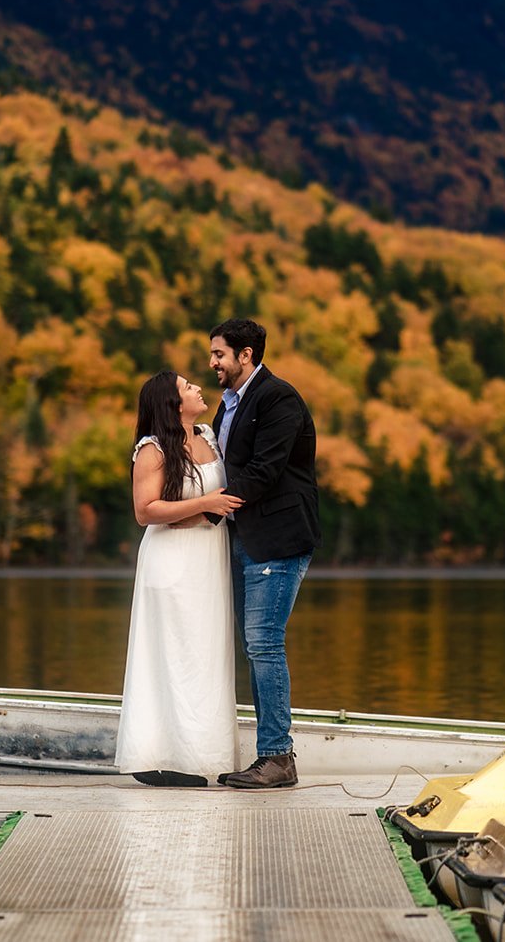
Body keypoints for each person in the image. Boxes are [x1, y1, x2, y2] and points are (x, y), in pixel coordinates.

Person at [113, 371, 244, 787]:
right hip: (171, 562)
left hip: (210, 559)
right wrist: (206, 502)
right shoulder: (153, 449)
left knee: (207, 655)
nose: (198, 389)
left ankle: (205, 754)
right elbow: (144, 511)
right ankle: (159, 756)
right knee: (171, 654)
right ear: (173, 403)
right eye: (189, 387)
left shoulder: (210, 435)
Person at [209, 318, 321, 790]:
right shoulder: (229, 404)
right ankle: (268, 756)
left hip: (278, 539)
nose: (212, 362)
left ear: (246, 355)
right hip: (245, 540)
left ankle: (277, 757)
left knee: (264, 643)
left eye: (219, 354)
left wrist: (205, 512)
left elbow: (265, 470)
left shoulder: (278, 398)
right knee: (256, 646)